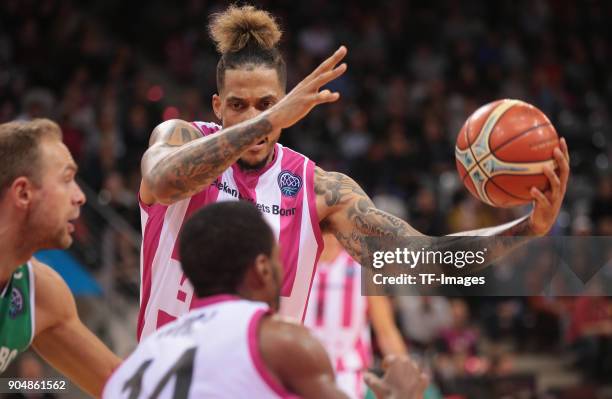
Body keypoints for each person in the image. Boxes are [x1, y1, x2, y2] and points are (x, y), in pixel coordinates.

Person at [137, 4, 570, 340]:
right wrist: (272, 118)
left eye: (267, 104)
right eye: (238, 105)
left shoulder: (319, 189)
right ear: (217, 105)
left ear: (285, 100)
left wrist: (528, 229)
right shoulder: (179, 137)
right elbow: (162, 182)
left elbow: (425, 261)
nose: (254, 117)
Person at [103, 201, 428, 399]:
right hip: (301, 358)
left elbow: (385, 331)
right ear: (262, 268)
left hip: (344, 370)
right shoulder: (274, 336)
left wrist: (398, 362)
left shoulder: (145, 353)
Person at [0, 119, 121, 397]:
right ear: (23, 192)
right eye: (67, 179)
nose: (80, 196)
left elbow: (125, 387)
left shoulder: (41, 292)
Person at [304, 233, 407, 399]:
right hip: (299, 370)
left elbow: (386, 332)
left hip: (346, 375)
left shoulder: (363, 269)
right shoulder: (296, 263)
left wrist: (405, 379)